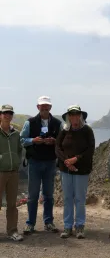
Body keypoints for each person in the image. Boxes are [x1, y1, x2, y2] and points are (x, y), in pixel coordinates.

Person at [20, 96, 62, 235]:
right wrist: (34, 140)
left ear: (50, 107)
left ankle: (48, 222)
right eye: (42, 106)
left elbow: (62, 141)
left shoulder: (57, 123)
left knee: (49, 195)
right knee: (32, 195)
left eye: (47, 106)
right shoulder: (30, 122)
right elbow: (22, 139)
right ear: (37, 107)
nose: (44, 108)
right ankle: (30, 224)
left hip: (50, 162)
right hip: (35, 162)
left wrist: (54, 141)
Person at [55, 105, 95, 239]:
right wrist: (67, 161)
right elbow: (58, 148)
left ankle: (79, 226)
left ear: (81, 116)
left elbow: (90, 149)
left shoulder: (87, 131)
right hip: (66, 170)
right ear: (68, 117)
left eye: (77, 114)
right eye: (71, 115)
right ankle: (67, 226)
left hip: (82, 170)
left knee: (80, 199)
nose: (74, 117)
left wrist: (76, 159)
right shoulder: (64, 131)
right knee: (67, 198)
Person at [0, 105, 24, 241]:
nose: (7, 115)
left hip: (13, 172)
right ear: (0, 115)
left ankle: (12, 231)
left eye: (10, 113)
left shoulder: (15, 134)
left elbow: (19, 150)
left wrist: (17, 162)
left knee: (12, 204)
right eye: (5, 113)